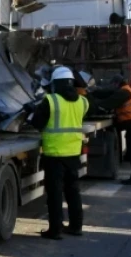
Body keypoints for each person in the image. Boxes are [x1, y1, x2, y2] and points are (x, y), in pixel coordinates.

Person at [26, 65, 88, 240]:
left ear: (55, 84)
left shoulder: (51, 100)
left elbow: (38, 124)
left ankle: (55, 230)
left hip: (54, 154)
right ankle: (76, 226)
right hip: (73, 152)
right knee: (73, 191)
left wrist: (32, 112)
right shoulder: (82, 102)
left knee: (54, 193)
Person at [90, 74, 131, 185]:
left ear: (116, 84)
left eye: (112, 85)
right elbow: (108, 94)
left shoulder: (123, 93)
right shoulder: (126, 90)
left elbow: (108, 103)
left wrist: (92, 103)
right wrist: (94, 92)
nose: (111, 87)